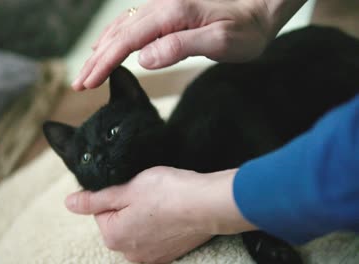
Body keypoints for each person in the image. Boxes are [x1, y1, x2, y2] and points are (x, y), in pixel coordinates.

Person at [66, 0, 359, 263]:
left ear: (139, 105)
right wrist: (259, 10)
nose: (101, 156)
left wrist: (207, 209)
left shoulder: (204, 132)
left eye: (111, 134)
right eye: (87, 157)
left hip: (327, 65)